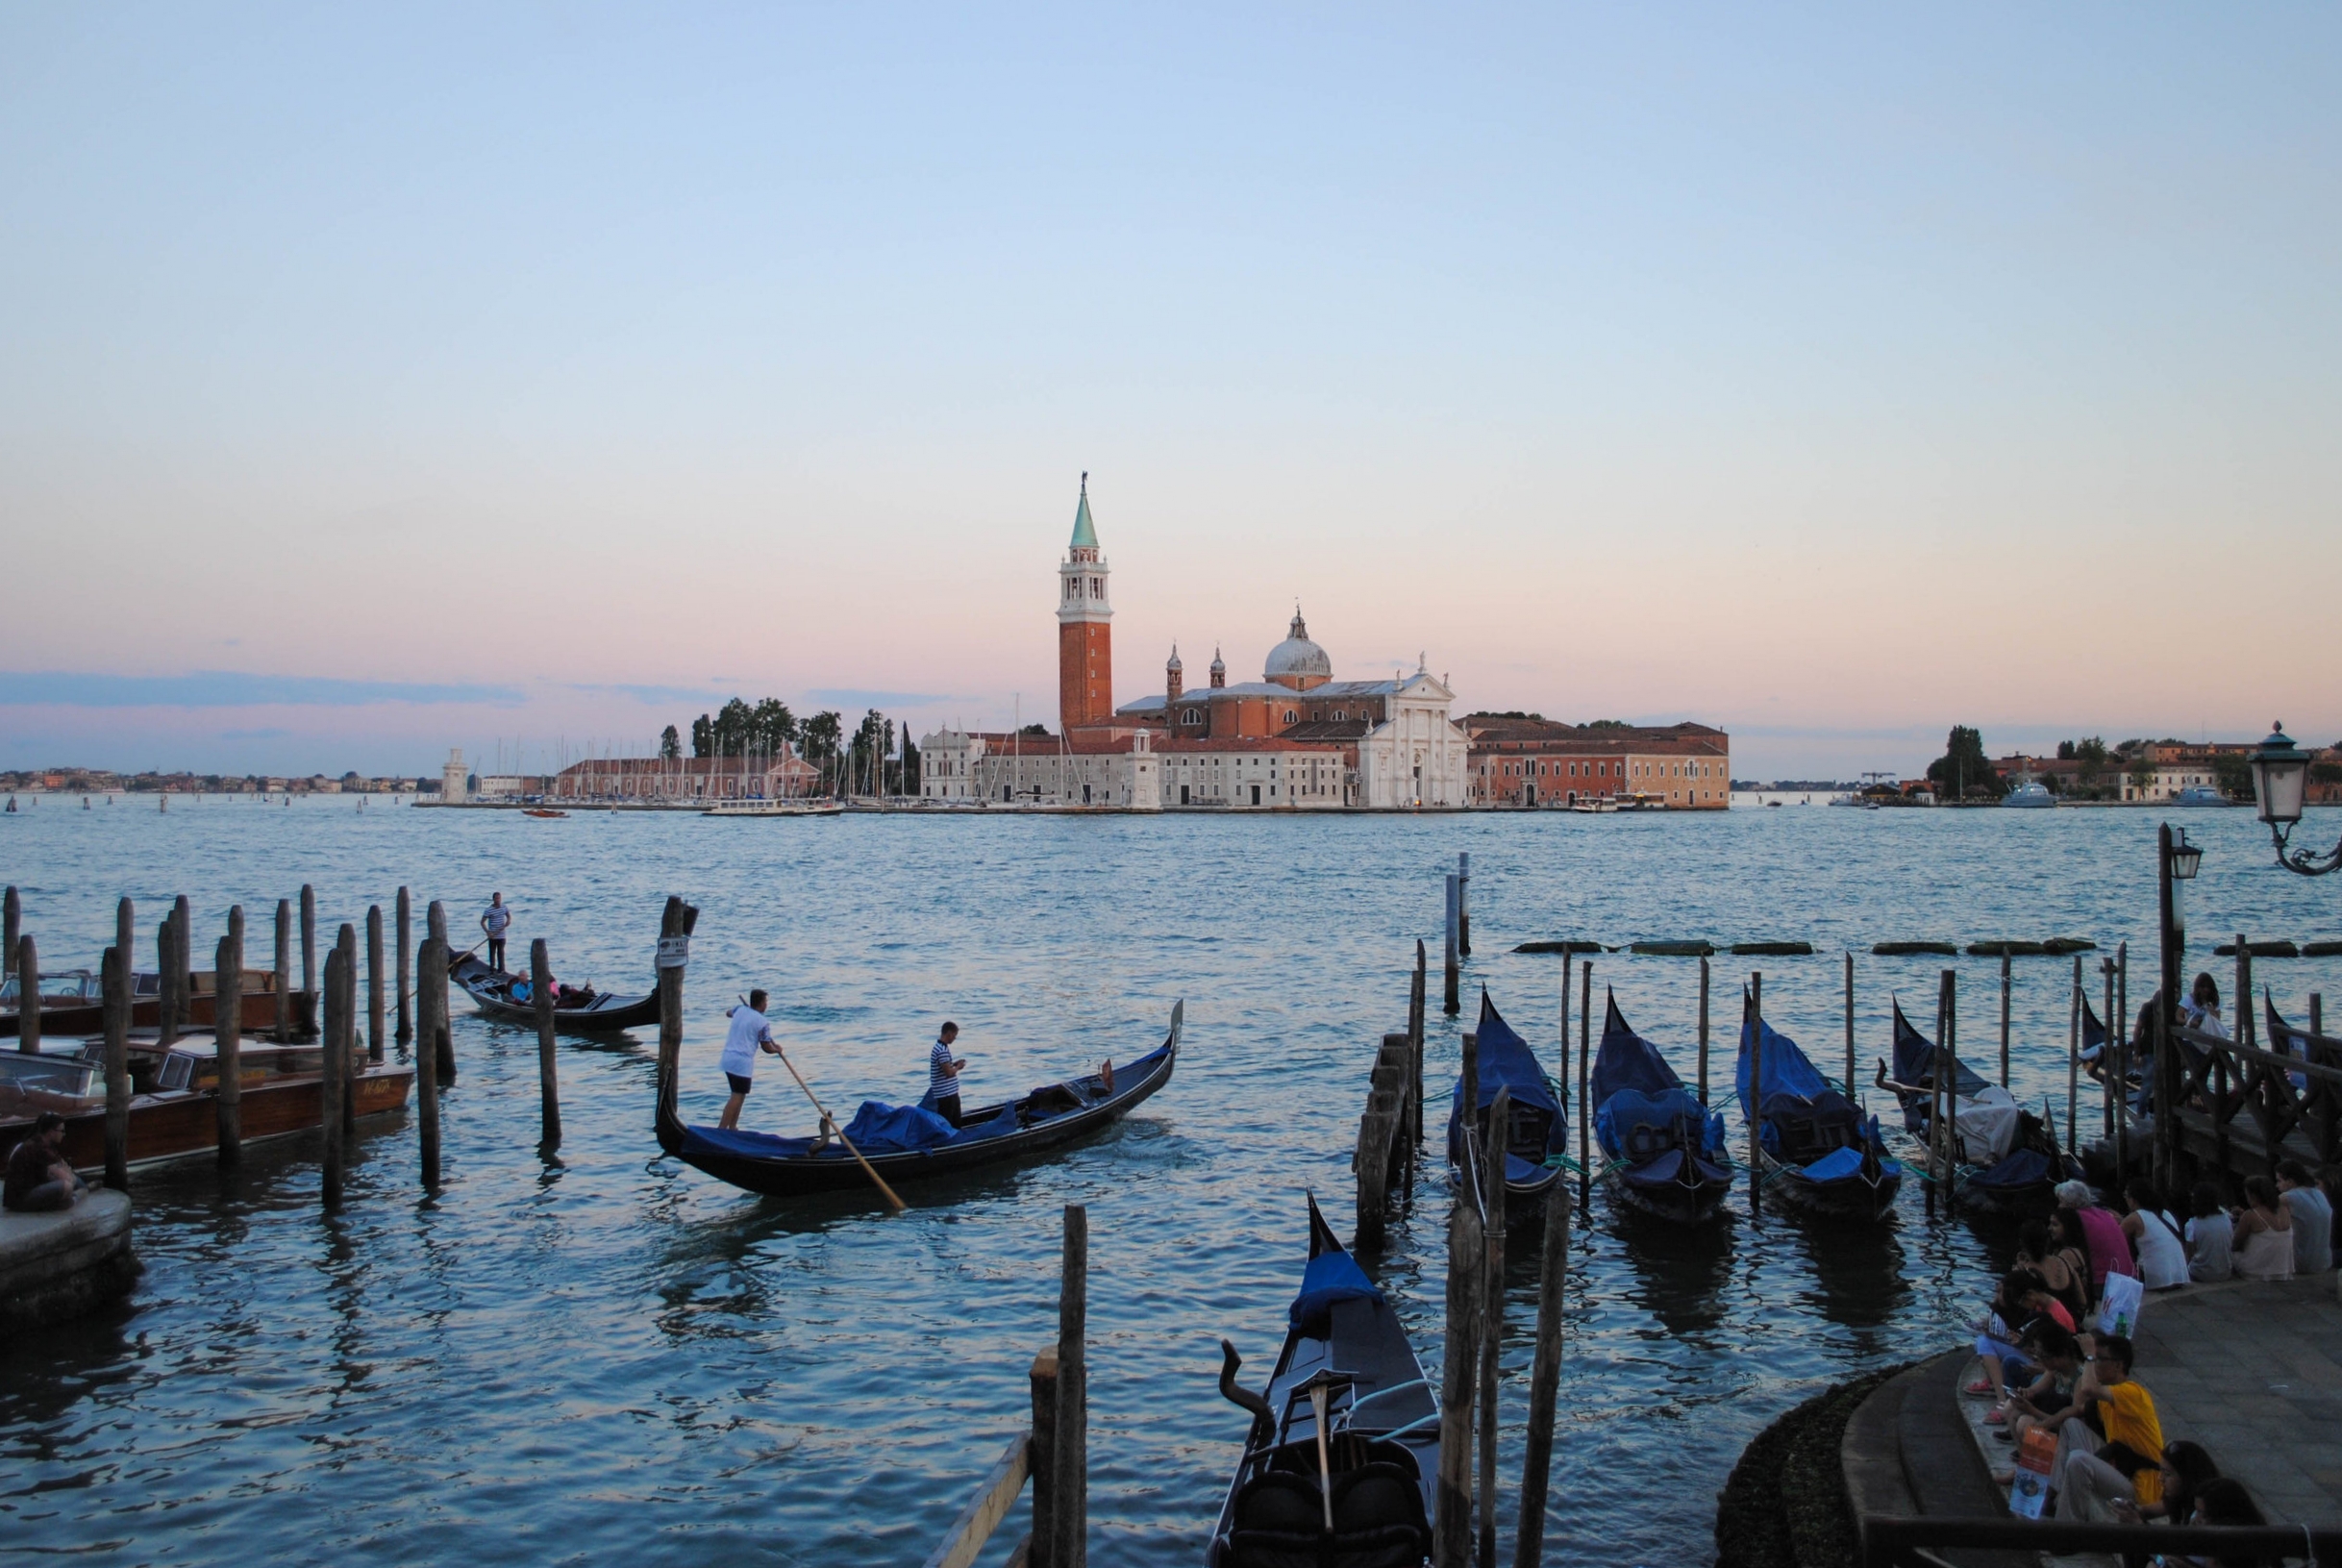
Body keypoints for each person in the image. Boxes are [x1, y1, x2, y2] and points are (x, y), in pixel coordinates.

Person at [2049, 1334, 2164, 1523]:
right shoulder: (2107, 1397)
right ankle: (2053, 1497)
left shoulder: (2133, 1392)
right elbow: (2078, 1410)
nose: (2095, 1364)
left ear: (2118, 1365)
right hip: (2119, 1465)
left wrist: (2088, 1355)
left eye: (2100, 1359)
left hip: (2138, 1482)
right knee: (2071, 1426)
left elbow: (2088, 1389)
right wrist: (2040, 1421)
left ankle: (2065, 1534)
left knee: (2079, 1460)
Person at [2055, 1179, 2138, 1295]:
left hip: (2105, 1283)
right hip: (2128, 1276)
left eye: (2061, 1201)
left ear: (2071, 1204)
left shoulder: (2077, 1219)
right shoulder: (2104, 1214)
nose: (2059, 1206)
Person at [717, 989, 781, 1131]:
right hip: (742, 1062)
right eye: (766, 1002)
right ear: (761, 1003)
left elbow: (728, 1013)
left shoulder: (740, 1010)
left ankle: (732, 1127)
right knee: (736, 1096)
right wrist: (776, 1050)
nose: (767, 1005)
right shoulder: (763, 1022)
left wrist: (742, 1012)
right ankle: (721, 1130)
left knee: (740, 1095)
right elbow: (766, 1047)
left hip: (728, 1058)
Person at [3, 1113, 86, 1213]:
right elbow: (67, 1179)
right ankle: (71, 1201)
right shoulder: (40, 1148)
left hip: (19, 1194)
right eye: (62, 1131)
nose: (64, 1134)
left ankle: (60, 1202)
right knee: (66, 1186)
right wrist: (68, 1174)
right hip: (21, 1198)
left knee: (78, 1183)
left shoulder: (38, 1143)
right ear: (51, 1132)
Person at [2121, 1177, 2190, 1291]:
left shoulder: (2134, 1218)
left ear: (2133, 1199)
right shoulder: (2166, 1213)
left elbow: (2115, 1237)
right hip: (2179, 1276)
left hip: (2157, 1280)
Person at [2276, 1158, 2333, 1274]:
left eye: (2279, 1181)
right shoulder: (2319, 1193)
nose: (2277, 1185)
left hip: (2301, 1264)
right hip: (2325, 1262)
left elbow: (2276, 1228)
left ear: (2290, 1182)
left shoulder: (2286, 1198)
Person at [2232, 1175, 2294, 1282]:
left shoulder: (2250, 1215)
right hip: (2283, 1270)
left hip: (2256, 1271)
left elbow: (2235, 1244)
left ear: (2253, 1196)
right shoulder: (2284, 1209)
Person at [2185, 1181, 2235, 1282]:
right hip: (2226, 1273)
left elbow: (2189, 1254)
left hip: (2201, 1274)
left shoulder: (2192, 1224)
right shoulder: (2226, 1219)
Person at [929, 1021, 967, 1128]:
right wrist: (958, 1067)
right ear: (949, 1033)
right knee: (950, 1123)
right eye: (954, 1036)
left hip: (949, 1093)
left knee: (955, 1122)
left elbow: (944, 1066)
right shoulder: (941, 1050)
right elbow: (949, 1072)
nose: (954, 1039)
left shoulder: (941, 1048)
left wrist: (954, 1064)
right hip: (946, 1095)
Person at [2182, 972, 2229, 1040]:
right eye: (2203, 987)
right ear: (2197, 987)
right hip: (2191, 1037)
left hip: (2209, 1036)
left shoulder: (2214, 1000)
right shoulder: (2189, 999)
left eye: (2208, 987)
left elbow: (2218, 1022)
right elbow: (2178, 1017)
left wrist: (2212, 1011)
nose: (2206, 990)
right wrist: (2189, 1022)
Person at [481, 893, 511, 972]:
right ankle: (492, 968)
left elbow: (508, 916)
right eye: (496, 898)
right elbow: (482, 922)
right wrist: (488, 932)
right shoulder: (488, 910)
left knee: (501, 952)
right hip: (492, 935)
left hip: (502, 935)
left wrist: (508, 921)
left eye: (499, 898)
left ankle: (502, 969)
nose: (498, 900)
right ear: (493, 899)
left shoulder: (504, 907)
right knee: (492, 952)